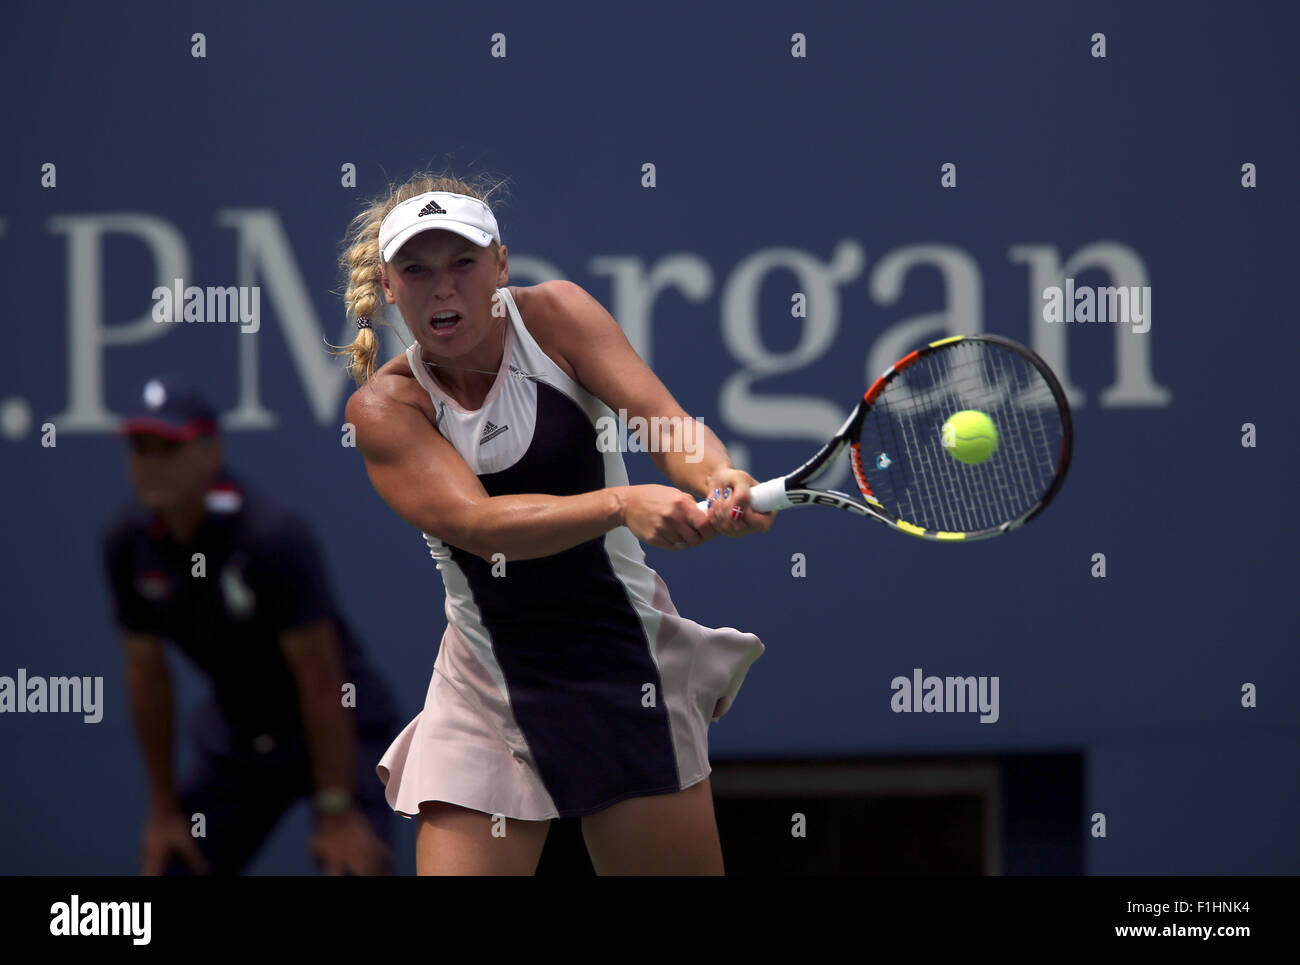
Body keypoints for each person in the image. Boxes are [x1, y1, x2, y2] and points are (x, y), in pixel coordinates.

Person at [337, 172, 774, 875]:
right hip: (485, 688)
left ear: (501, 266)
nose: (441, 288)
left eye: (463, 263)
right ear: (388, 286)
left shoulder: (557, 317)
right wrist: (620, 506)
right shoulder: (385, 409)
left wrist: (715, 475)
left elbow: (667, 426)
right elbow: (477, 524)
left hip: (625, 666)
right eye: (416, 270)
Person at [101, 377, 399, 875]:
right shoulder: (126, 545)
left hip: (341, 727)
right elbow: (147, 678)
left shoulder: (270, 537)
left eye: (168, 448)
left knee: (354, 865)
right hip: (240, 739)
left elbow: (321, 680)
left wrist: (337, 809)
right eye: (140, 449)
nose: (150, 464)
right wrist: (164, 808)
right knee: (173, 864)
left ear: (210, 451)